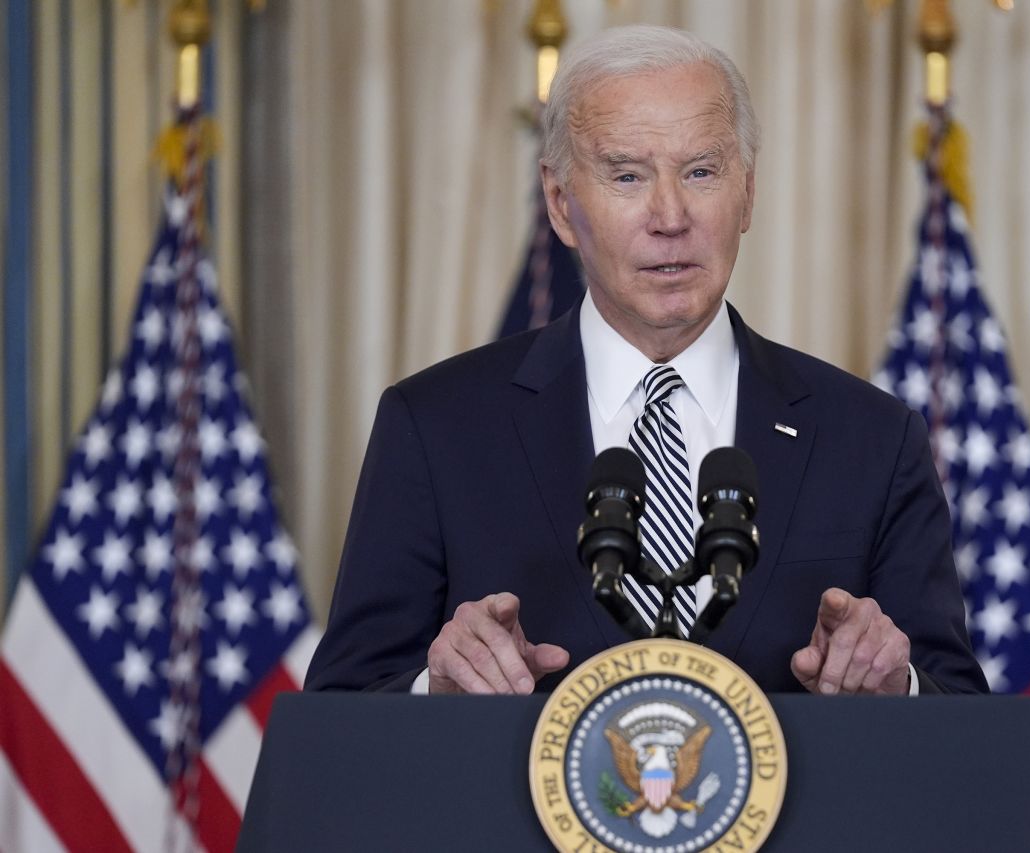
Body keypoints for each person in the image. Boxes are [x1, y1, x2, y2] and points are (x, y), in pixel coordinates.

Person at [305, 25, 986, 698]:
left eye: (700, 171)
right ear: (560, 202)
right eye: (627, 175)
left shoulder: (871, 437)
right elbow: (340, 719)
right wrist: (437, 688)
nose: (669, 215)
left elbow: (965, 726)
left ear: (746, 193)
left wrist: (898, 686)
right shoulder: (436, 427)